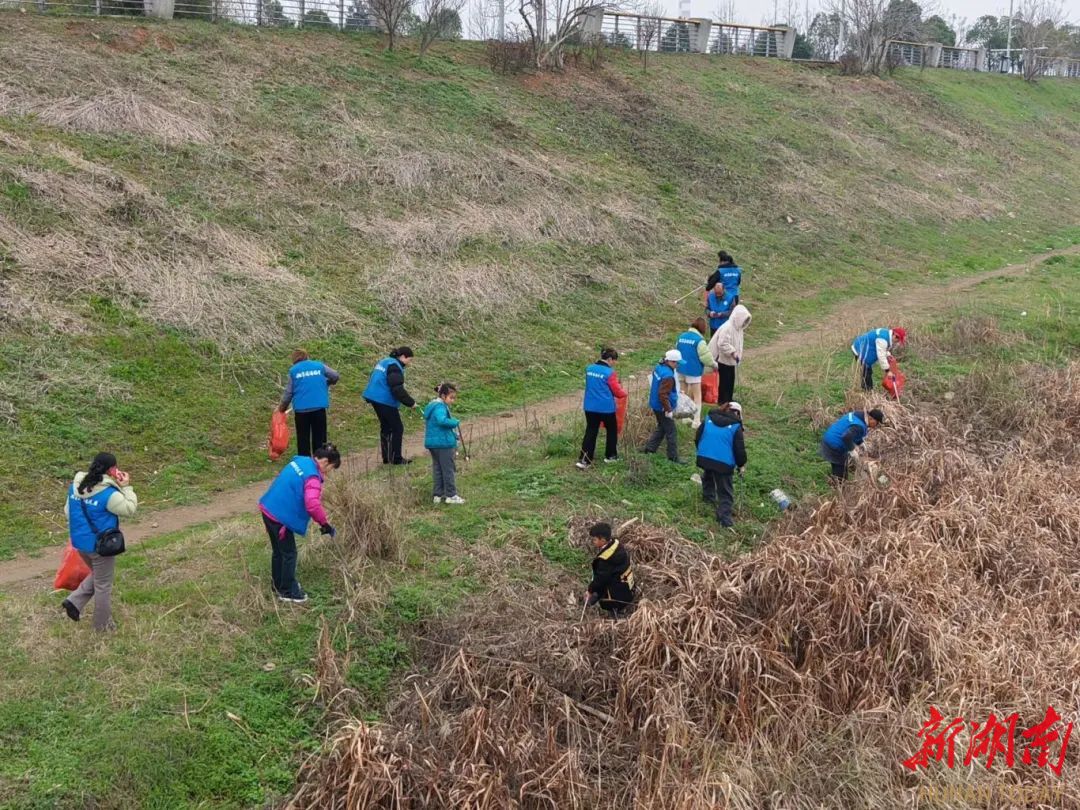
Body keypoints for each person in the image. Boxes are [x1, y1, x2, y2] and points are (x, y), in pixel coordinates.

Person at [62, 452, 139, 631]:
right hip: (101, 547)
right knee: (103, 584)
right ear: (112, 470)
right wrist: (127, 487)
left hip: (80, 544)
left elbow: (68, 512)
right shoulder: (108, 494)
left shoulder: (75, 487)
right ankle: (102, 626)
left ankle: (74, 602)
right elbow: (129, 509)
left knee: (99, 576)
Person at [258, 443, 341, 603]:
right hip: (279, 517)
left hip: (268, 507)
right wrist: (324, 523)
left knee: (279, 552)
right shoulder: (313, 478)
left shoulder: (301, 460)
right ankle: (288, 592)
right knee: (289, 554)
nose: (328, 473)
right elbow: (312, 504)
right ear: (326, 462)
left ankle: (277, 585)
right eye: (331, 468)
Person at [278, 349, 340, 457]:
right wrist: (327, 383)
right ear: (307, 356)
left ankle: (305, 463)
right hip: (319, 408)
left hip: (301, 411)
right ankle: (320, 461)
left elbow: (288, 393)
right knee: (320, 438)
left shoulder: (293, 371)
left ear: (294, 360)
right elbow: (335, 376)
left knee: (303, 439)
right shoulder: (319, 366)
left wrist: (282, 408)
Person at [362, 347, 418, 465]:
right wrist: (411, 402)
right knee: (397, 428)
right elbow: (397, 388)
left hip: (373, 397)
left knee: (386, 427)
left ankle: (387, 457)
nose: (409, 363)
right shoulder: (394, 367)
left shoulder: (385, 361)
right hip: (384, 399)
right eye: (409, 359)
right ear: (403, 357)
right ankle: (396, 458)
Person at [695, 403, 747, 527]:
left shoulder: (708, 418)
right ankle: (724, 518)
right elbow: (739, 450)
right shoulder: (735, 426)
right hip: (724, 464)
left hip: (704, 457)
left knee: (708, 473)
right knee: (725, 490)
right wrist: (741, 465)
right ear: (738, 413)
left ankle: (708, 498)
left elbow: (698, 437)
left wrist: (703, 451)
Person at [577, 348, 628, 469]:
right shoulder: (609, 373)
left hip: (589, 407)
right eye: (614, 361)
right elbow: (617, 391)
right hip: (606, 408)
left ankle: (584, 460)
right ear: (610, 359)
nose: (614, 364)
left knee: (591, 431)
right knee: (612, 430)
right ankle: (611, 456)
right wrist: (623, 393)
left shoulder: (589, 369)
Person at [425, 383, 465, 505]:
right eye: (451, 398)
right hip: (444, 443)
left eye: (454, 398)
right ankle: (451, 495)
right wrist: (454, 422)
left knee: (438, 469)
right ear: (443, 396)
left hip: (433, 444)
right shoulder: (440, 407)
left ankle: (438, 495)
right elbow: (441, 420)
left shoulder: (432, 405)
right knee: (448, 469)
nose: (453, 400)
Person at [585, 522, 636, 618]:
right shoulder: (617, 545)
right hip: (628, 587)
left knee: (612, 607)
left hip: (616, 597)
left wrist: (590, 590)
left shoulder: (605, 560)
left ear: (603, 540)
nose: (593, 542)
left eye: (595, 540)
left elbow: (601, 579)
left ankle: (615, 619)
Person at [641, 350, 684, 463]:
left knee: (662, 427)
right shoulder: (668, 376)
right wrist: (668, 409)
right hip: (662, 406)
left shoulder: (659, 367)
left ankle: (650, 449)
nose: (677, 365)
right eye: (677, 363)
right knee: (671, 431)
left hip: (655, 403)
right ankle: (673, 457)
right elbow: (663, 394)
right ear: (671, 361)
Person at [819, 408, 885, 481]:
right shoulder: (860, 426)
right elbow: (846, 437)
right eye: (877, 422)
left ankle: (835, 480)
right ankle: (840, 486)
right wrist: (852, 450)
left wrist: (860, 442)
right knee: (841, 470)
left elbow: (852, 431)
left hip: (829, 437)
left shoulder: (858, 415)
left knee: (840, 465)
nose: (876, 425)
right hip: (834, 444)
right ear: (871, 418)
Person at [676, 318, 717, 429]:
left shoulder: (681, 337)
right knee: (697, 396)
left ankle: (683, 418)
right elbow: (706, 358)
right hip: (693, 371)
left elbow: (677, 350)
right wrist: (714, 365)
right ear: (702, 328)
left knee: (683, 394)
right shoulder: (699, 340)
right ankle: (696, 421)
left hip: (680, 369)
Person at [709, 304, 752, 404]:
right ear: (738, 317)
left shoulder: (739, 328)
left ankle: (729, 399)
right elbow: (722, 343)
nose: (744, 322)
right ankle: (722, 400)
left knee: (731, 380)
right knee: (725, 380)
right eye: (744, 319)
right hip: (723, 359)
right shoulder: (727, 327)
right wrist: (732, 352)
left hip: (731, 360)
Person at [851, 327, 906, 391]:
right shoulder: (883, 339)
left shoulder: (886, 335)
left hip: (862, 347)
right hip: (859, 349)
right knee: (866, 372)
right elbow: (881, 355)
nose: (897, 342)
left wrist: (888, 355)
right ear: (895, 336)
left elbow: (882, 348)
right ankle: (867, 391)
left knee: (867, 371)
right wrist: (887, 371)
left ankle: (867, 389)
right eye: (898, 340)